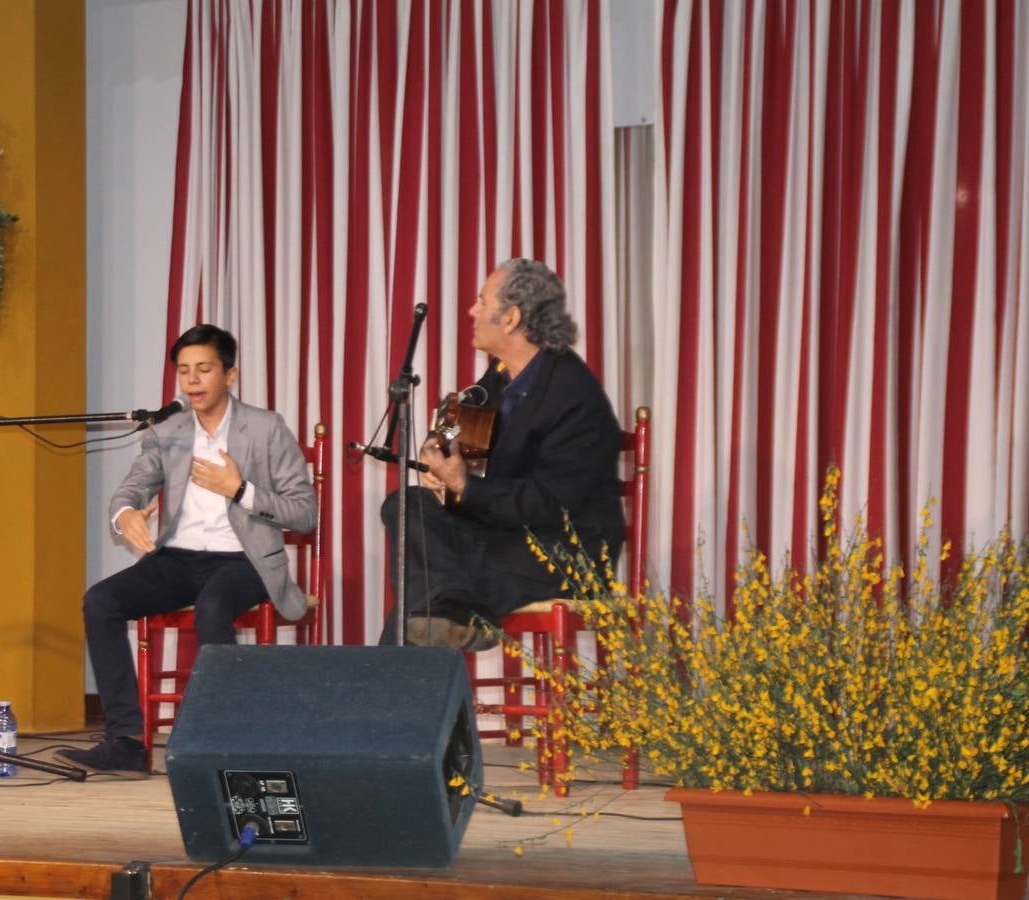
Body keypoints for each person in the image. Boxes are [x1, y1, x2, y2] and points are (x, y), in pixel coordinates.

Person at [58, 325, 317, 776]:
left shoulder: (266, 427)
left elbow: (304, 513)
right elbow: (134, 485)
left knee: (213, 607)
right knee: (100, 600)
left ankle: (222, 738)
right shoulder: (169, 429)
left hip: (243, 559)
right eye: (184, 371)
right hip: (178, 558)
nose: (192, 381)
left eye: (204, 369)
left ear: (230, 375)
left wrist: (240, 489)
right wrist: (126, 514)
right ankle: (124, 741)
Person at [378, 259, 625, 649]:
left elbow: (549, 504)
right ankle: (449, 618)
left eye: (481, 301)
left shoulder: (573, 396)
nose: (472, 311)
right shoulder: (499, 376)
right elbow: (459, 428)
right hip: (504, 539)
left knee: (428, 590)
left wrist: (463, 485)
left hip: (561, 553)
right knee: (406, 504)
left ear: (510, 318)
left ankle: (397, 694)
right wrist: (438, 450)